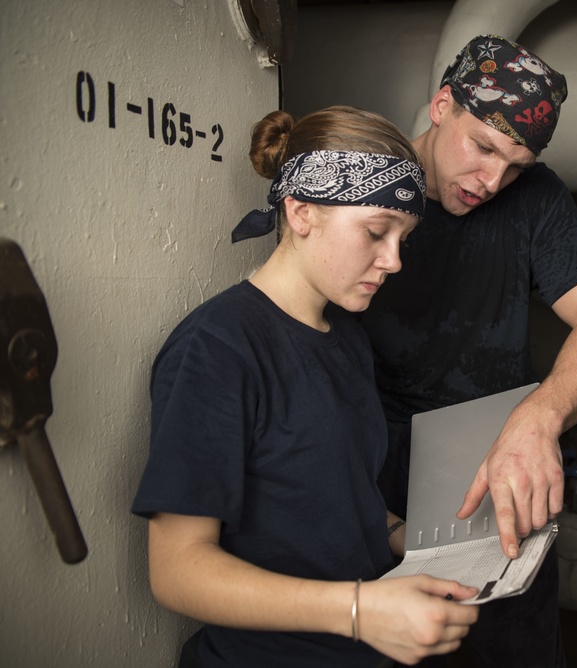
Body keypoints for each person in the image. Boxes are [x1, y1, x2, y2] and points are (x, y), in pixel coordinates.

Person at [131, 105, 480, 668]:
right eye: (375, 232)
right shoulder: (218, 348)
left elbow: (346, 499)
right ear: (300, 212)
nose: (392, 261)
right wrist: (361, 609)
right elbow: (177, 572)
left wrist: (419, 541)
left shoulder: (346, 335)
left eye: (403, 239)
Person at [358, 35, 577, 667]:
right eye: (482, 147)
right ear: (440, 105)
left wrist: (539, 418)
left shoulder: (537, 198)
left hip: (496, 462)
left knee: (510, 646)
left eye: (516, 164)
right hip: (369, 458)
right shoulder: (366, 184)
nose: (493, 181)